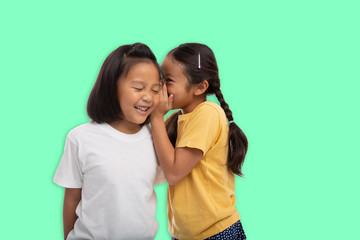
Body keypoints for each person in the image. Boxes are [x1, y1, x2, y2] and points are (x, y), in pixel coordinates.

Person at [53, 43, 165, 240]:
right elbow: (71, 199)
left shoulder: (157, 139)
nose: (148, 97)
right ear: (112, 87)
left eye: (155, 90)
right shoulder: (81, 138)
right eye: (138, 88)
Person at [150, 43, 248, 240]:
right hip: (184, 234)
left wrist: (155, 117)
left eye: (168, 80)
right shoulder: (174, 120)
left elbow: (174, 173)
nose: (160, 87)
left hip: (216, 233)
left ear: (200, 87)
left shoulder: (208, 113)